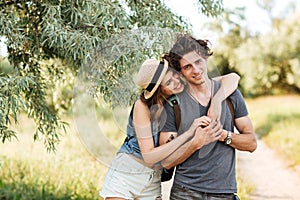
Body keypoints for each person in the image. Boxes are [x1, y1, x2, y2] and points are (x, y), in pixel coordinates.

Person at [100, 58, 240, 200]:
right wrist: (189, 134)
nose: (176, 81)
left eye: (173, 75)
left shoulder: (178, 95)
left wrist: (216, 102)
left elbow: (232, 78)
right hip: (128, 174)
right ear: (158, 90)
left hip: (153, 179)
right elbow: (149, 157)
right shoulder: (141, 106)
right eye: (168, 82)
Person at [160, 34, 258, 200]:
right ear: (180, 72)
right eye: (188, 67)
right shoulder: (173, 105)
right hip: (185, 192)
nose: (196, 70)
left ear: (205, 59)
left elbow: (251, 143)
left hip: (224, 192)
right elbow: (166, 161)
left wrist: (223, 135)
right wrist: (196, 143)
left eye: (198, 62)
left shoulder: (231, 95)